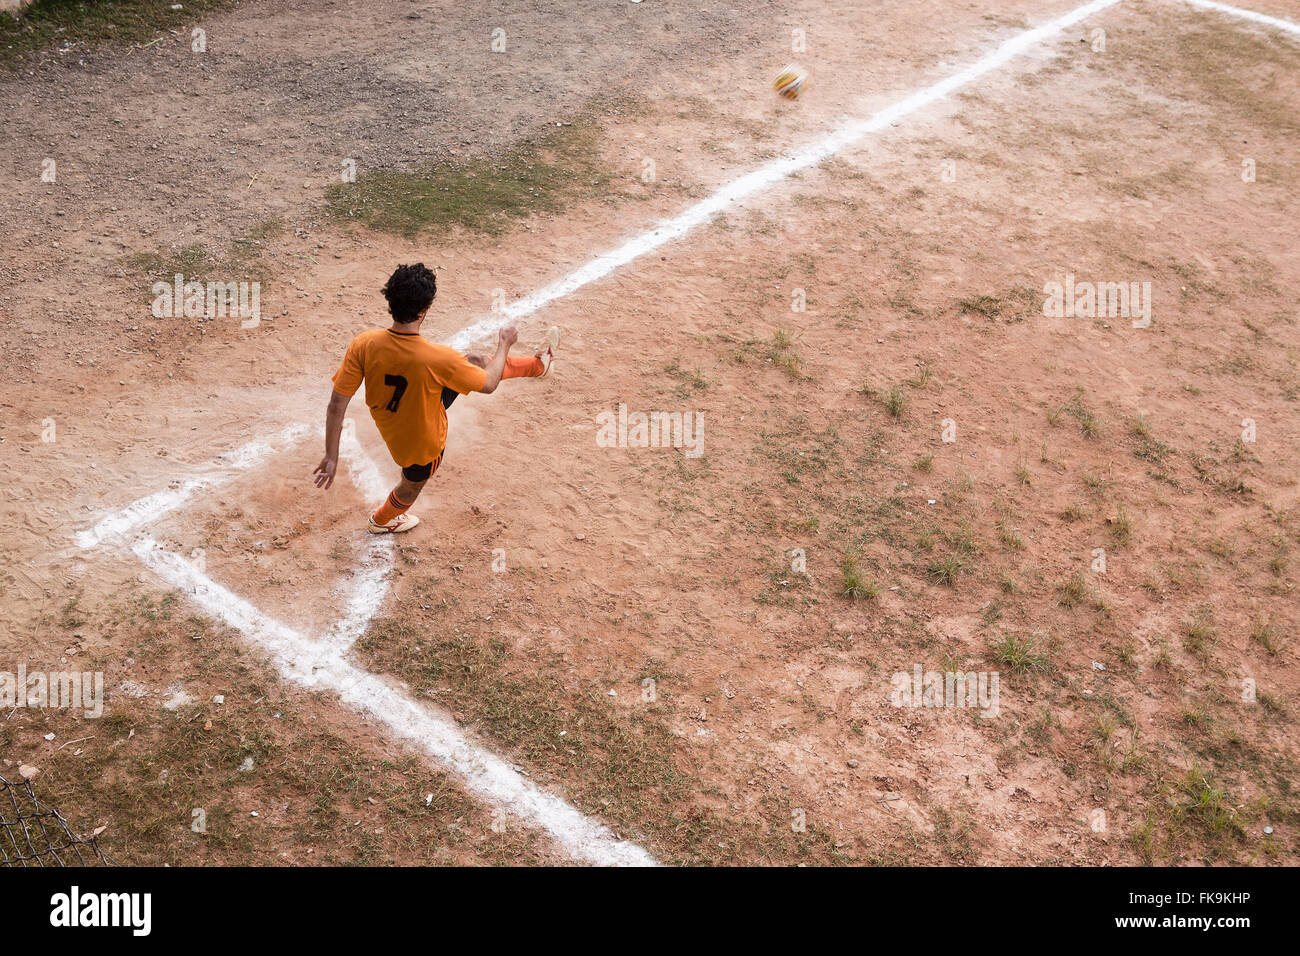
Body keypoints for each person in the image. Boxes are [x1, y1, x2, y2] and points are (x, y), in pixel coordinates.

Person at [313, 262, 557, 533]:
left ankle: (538, 366)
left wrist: (331, 455)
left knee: (474, 361)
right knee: (410, 486)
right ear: (424, 309)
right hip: (423, 445)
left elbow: (337, 403)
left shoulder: (364, 343)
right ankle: (382, 520)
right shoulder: (438, 359)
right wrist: (504, 343)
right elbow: (489, 385)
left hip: (395, 416)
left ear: (390, 301)